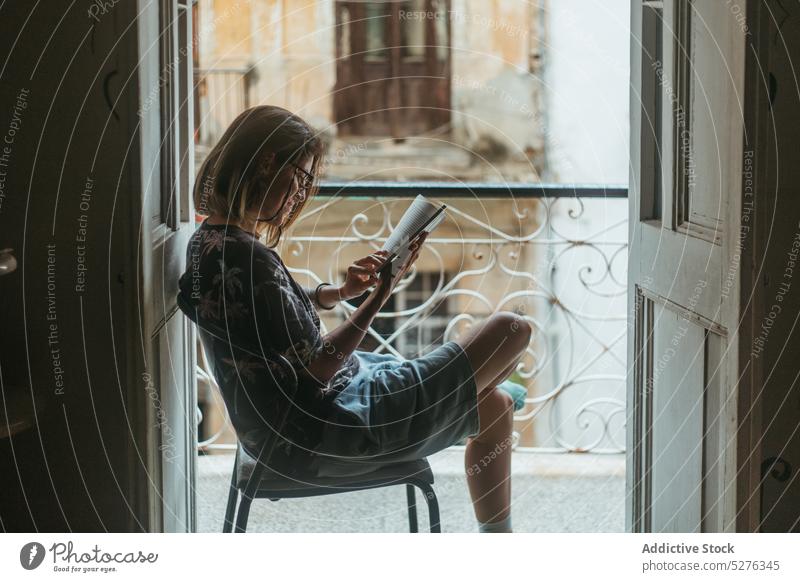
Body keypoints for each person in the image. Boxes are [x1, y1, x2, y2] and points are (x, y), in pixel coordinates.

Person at [178, 105, 532, 533]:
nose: (299, 194)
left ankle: (500, 541)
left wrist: (340, 293)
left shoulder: (213, 242)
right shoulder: (246, 255)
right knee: (513, 329)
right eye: (301, 177)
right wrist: (378, 297)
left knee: (492, 405)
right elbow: (318, 368)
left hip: (295, 425)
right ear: (268, 163)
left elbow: (268, 312)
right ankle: (467, 397)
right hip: (326, 431)